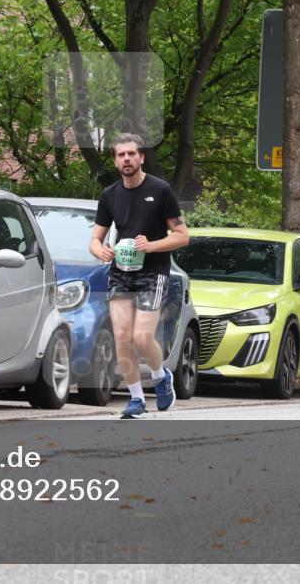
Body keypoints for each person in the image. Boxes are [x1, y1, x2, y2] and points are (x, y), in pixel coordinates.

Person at [89, 133, 190, 418]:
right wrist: (102, 252)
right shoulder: (110, 195)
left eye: (132, 154)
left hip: (153, 272)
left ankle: (161, 377)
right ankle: (136, 399)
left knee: (142, 338)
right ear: (115, 161)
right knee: (122, 336)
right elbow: (95, 240)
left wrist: (152, 246)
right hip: (121, 273)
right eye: (121, 155)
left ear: (141, 157)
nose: (127, 159)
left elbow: (182, 237)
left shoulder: (160, 190)